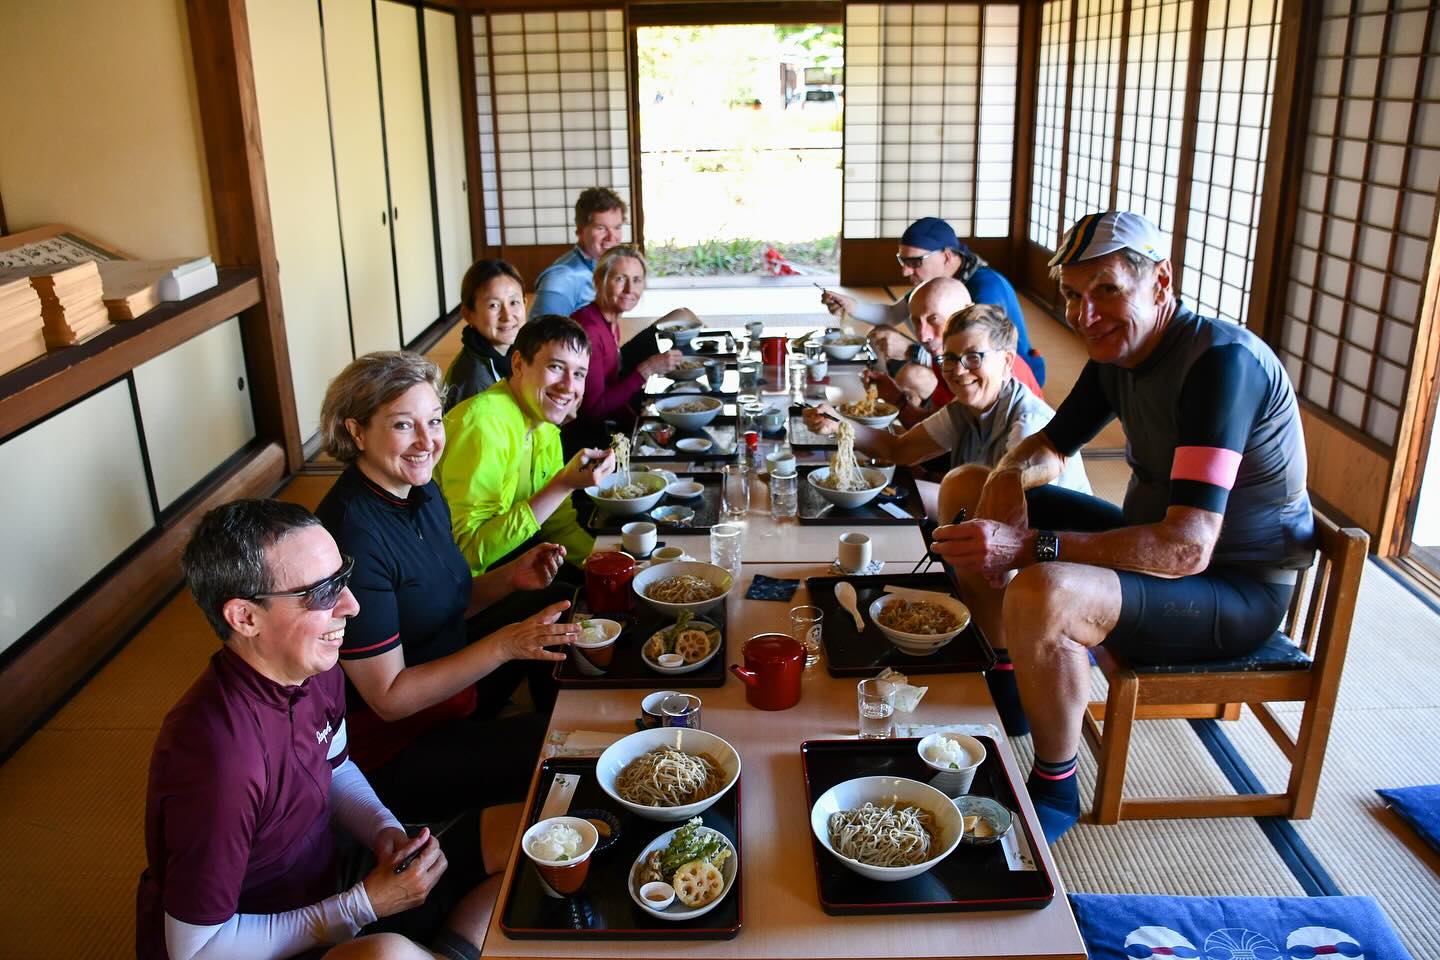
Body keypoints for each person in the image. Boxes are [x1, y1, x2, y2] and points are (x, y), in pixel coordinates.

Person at [931, 211, 1315, 845]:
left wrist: (1031, 545)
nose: (1085, 316)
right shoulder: (1120, 353)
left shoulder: (1221, 365)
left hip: (1231, 590)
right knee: (965, 485)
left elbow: (1188, 547)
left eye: (1107, 290)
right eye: (1074, 297)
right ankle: (1010, 677)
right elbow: (1050, 446)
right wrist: (1004, 476)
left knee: (1045, 588)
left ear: (1160, 282)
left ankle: (1055, 785)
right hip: (1155, 553)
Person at [137, 498, 486, 960]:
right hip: (252, 940)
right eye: (322, 593)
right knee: (388, 955)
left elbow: (335, 768)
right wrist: (361, 906)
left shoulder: (317, 667)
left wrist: (384, 830)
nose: (352, 605)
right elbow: (196, 950)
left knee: (507, 837)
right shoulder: (215, 756)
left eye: (342, 578)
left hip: (326, 881)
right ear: (245, 617)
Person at [315, 351, 580, 899]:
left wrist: (508, 581)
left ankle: (527, 739)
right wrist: (507, 645)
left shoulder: (420, 488)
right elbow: (388, 697)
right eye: (402, 424)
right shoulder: (351, 536)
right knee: (558, 753)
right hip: (395, 747)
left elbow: (442, 602)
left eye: (433, 420)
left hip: (453, 688)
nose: (426, 440)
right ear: (356, 430)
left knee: (559, 600)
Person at [804, 302, 1090, 494]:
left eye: (974, 357)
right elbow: (900, 451)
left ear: (1006, 361)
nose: (959, 370)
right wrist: (837, 424)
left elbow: (1015, 515)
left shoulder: (1027, 425)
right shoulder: (965, 409)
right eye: (950, 358)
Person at [438, 314, 615, 575]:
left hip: (510, 565)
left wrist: (616, 565)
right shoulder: (483, 424)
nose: (568, 386)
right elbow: (467, 553)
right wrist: (562, 484)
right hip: (461, 589)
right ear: (519, 363)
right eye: (556, 367)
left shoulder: (544, 424)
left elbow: (559, 527)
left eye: (579, 374)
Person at [819, 216, 1045, 386]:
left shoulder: (986, 289)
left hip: (1007, 378)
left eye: (915, 262)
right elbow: (892, 314)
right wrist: (851, 306)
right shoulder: (935, 283)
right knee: (881, 333)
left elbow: (983, 361)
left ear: (947, 256)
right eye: (902, 261)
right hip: (959, 361)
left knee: (913, 376)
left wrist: (912, 352)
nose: (906, 272)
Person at [564, 244, 687, 453]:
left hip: (604, 426)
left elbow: (611, 389)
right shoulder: (588, 329)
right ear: (599, 281)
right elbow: (593, 411)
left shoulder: (609, 321)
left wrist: (640, 425)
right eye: (620, 279)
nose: (630, 290)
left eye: (637, 280)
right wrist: (646, 370)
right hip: (582, 442)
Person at [527, 187, 626, 319]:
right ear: (580, 230)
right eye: (601, 228)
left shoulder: (603, 268)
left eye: (617, 227)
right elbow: (540, 335)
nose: (612, 237)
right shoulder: (562, 278)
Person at [444, 259, 526, 411]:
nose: (507, 316)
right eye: (493, 305)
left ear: (525, 303)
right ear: (468, 315)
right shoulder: (474, 381)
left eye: (514, 302)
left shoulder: (517, 351)